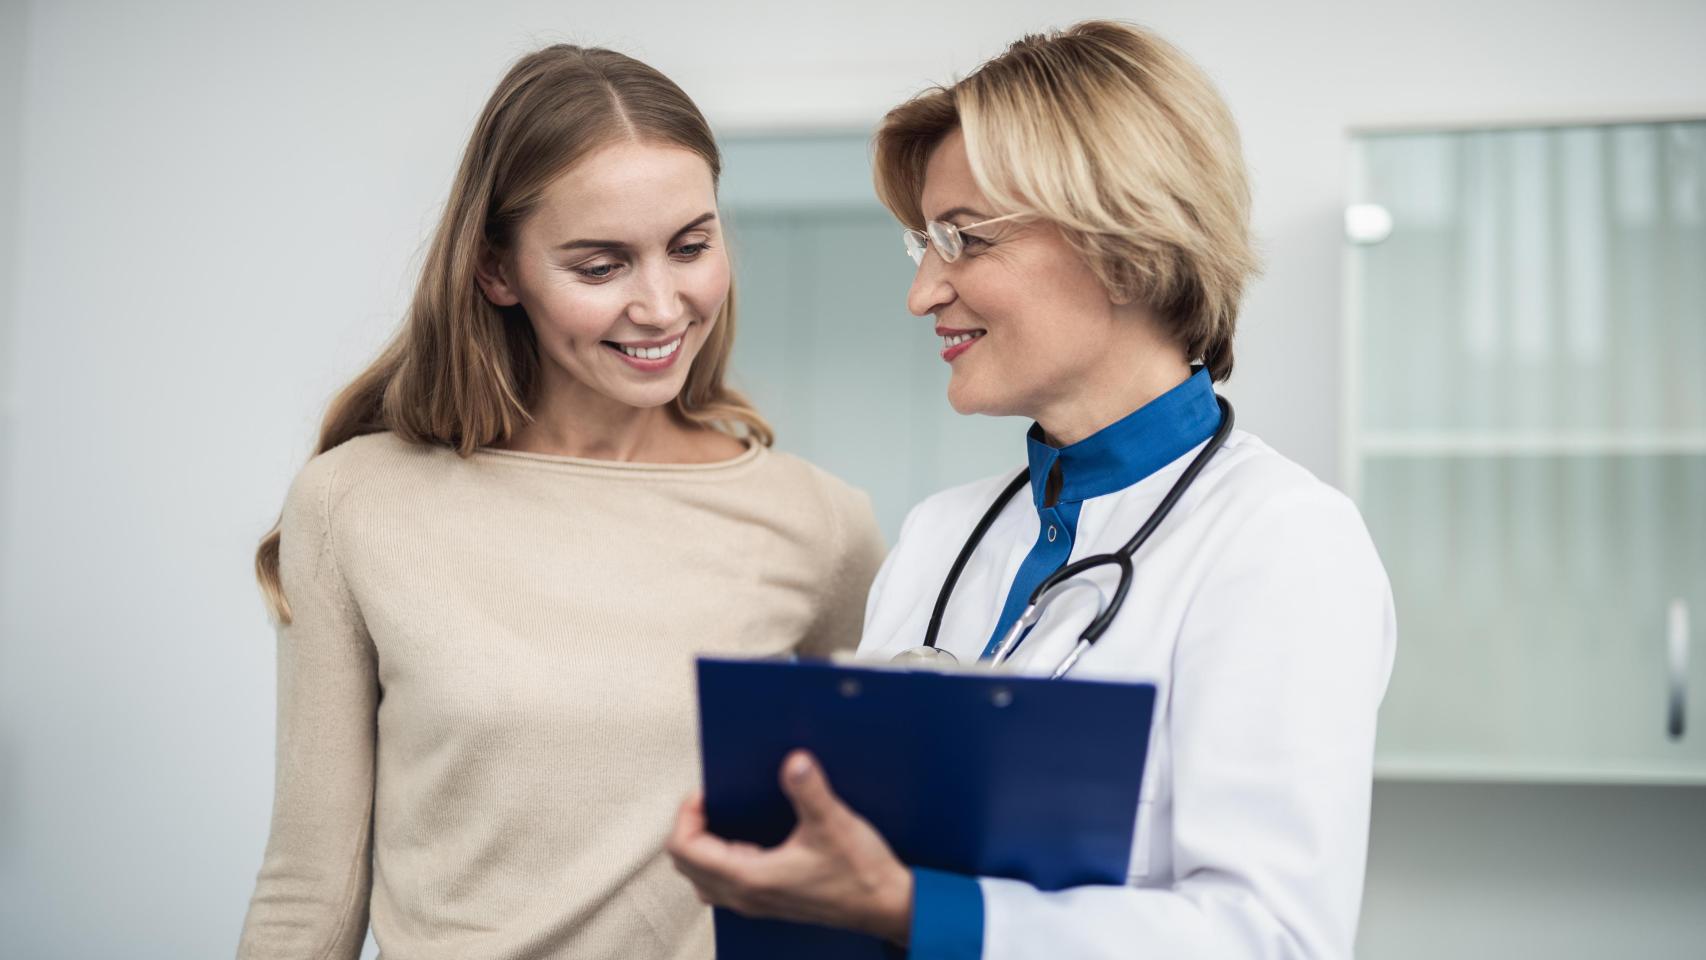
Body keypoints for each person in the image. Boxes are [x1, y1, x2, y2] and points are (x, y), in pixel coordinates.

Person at [668, 20, 1395, 959]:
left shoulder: (1282, 542)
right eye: (924, 245)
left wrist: (921, 913)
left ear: (1123, 245)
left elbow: (1272, 940)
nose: (923, 292)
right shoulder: (941, 535)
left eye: (963, 239)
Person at [237, 44, 886, 960]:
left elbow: (866, 864)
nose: (661, 306)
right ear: (498, 272)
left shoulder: (819, 525)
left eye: (691, 247)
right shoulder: (355, 502)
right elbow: (310, 885)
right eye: (600, 266)